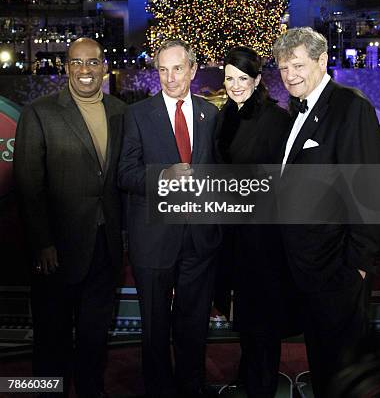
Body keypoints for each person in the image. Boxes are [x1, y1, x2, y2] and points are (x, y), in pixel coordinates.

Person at [273, 27, 380, 397]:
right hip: (310, 266)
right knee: (323, 362)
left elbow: (368, 190)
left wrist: (358, 265)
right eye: (284, 67)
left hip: (338, 268)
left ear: (322, 61)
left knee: (342, 371)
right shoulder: (299, 108)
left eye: (298, 65)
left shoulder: (351, 107)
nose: (290, 75)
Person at [14, 37, 125, 398]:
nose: (85, 70)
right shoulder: (40, 113)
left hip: (105, 248)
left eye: (92, 62)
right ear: (66, 69)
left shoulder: (121, 112)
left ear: (104, 67)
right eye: (77, 63)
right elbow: (28, 185)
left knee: (95, 339)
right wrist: (42, 242)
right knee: (51, 339)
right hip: (57, 251)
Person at [118, 38, 221, 398]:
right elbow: (125, 173)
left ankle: (192, 386)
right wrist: (163, 175)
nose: (170, 77)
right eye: (163, 69)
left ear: (193, 70)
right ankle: (159, 389)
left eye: (178, 68)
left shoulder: (212, 115)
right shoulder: (137, 114)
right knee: (155, 326)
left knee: (193, 324)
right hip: (153, 240)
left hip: (199, 240)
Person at [214, 46, 294, 398]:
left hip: (264, 238)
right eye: (229, 78)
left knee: (264, 320)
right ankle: (249, 378)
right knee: (245, 316)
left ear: (258, 79)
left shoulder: (277, 120)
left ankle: (261, 386)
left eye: (242, 78)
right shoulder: (224, 115)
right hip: (232, 237)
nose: (235, 85)